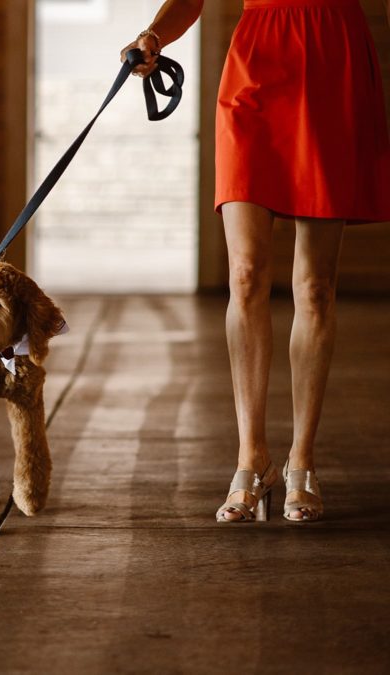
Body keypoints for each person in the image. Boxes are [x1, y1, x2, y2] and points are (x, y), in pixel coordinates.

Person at [122, 0, 390, 523]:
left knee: (315, 286)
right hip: (257, 64)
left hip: (334, 63)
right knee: (244, 275)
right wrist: (154, 34)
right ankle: (252, 458)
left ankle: (302, 462)